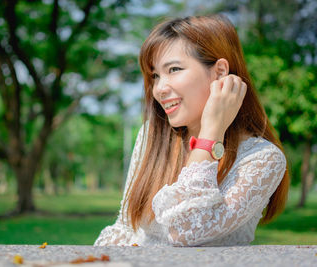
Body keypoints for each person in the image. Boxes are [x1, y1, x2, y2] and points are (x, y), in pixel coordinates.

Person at [94, 14, 289, 246]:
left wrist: (209, 137)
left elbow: (184, 231)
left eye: (174, 69)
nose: (159, 89)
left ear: (219, 72)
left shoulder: (262, 159)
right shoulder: (152, 136)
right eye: (155, 75)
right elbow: (126, 228)